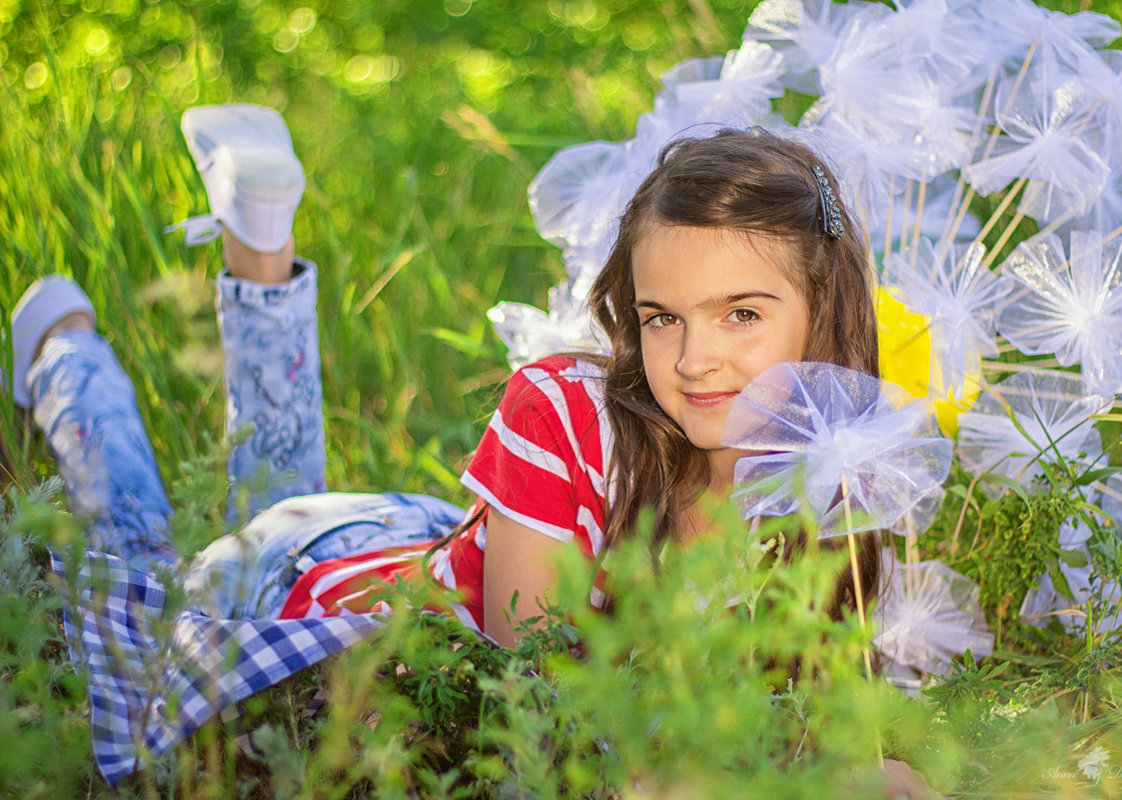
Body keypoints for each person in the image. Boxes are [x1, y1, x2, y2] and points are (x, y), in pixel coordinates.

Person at [11, 104, 937, 796]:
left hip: (459, 543)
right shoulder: (568, 415)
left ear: (825, 313)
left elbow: (822, 734)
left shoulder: (837, 481)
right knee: (147, 556)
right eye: (662, 318)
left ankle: (256, 247)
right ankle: (69, 360)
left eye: (742, 314)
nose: (695, 361)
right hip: (319, 592)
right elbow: (519, 690)